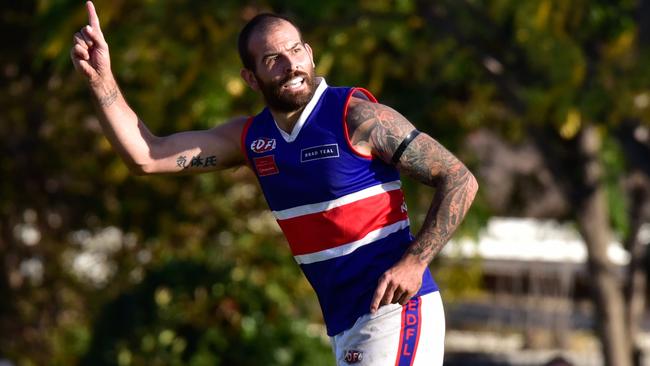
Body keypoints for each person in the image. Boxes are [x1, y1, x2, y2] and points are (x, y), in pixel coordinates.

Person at [70, 2, 478, 365]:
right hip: (345, 323)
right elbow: (147, 156)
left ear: (310, 53)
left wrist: (415, 261)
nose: (290, 64)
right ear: (251, 78)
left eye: (295, 50)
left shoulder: (358, 116)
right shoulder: (251, 140)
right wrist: (101, 80)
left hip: (397, 310)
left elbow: (459, 179)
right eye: (272, 59)